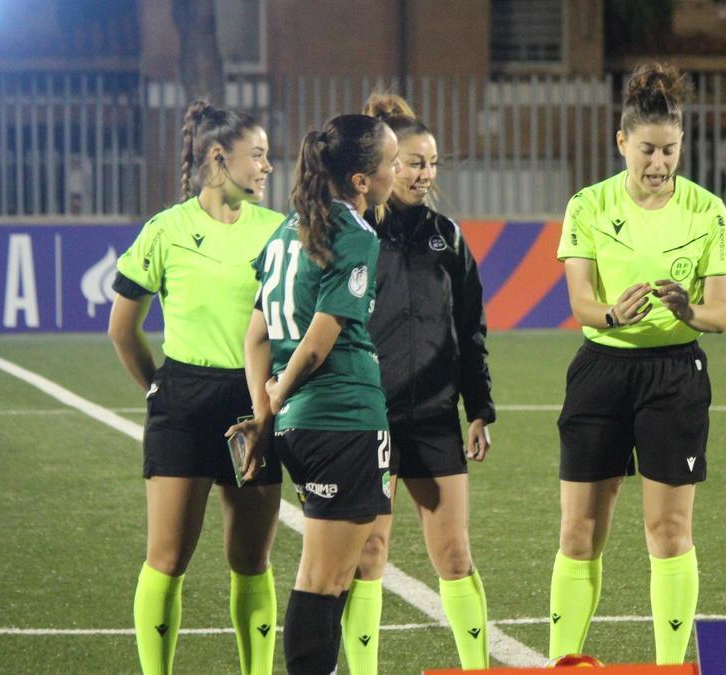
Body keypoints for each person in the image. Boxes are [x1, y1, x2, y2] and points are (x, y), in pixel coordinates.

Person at [551, 62, 726, 664]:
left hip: (675, 377)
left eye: (671, 151)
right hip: (600, 372)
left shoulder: (708, 212)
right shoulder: (588, 205)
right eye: (648, 150)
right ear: (621, 142)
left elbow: (723, 313)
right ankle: (565, 662)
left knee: (669, 531)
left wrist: (689, 311)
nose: (659, 164)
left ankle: (669, 664)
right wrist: (611, 316)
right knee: (579, 531)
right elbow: (579, 300)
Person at [108, 100, 284, 675]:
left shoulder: (279, 232)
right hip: (182, 402)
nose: (267, 166)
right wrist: (158, 389)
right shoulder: (166, 229)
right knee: (167, 557)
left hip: (254, 403)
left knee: (251, 559)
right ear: (218, 157)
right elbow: (123, 328)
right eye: (257, 155)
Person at [229, 113, 400, 674]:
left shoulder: (285, 230)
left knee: (329, 573)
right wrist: (272, 406)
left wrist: (266, 413)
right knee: (323, 581)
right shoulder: (352, 233)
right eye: (391, 164)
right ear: (360, 180)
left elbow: (256, 335)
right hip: (341, 418)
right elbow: (321, 339)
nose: (396, 172)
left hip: (304, 424)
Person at [332, 93, 495, 674]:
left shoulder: (447, 237)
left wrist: (479, 408)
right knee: (369, 555)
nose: (426, 174)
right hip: (365, 417)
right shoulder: (353, 234)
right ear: (386, 166)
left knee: (454, 554)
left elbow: (470, 328)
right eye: (414, 162)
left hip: (432, 415)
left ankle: (477, 668)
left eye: (432, 164)